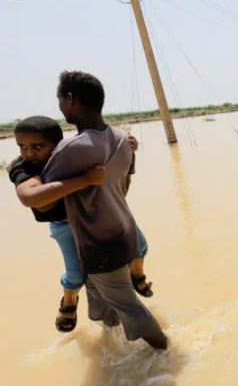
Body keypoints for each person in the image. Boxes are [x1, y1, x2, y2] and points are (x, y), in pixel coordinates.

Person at [43, 71, 167, 349]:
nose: (60, 106)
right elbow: (124, 184)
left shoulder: (70, 149)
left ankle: (165, 353)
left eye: (61, 100)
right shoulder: (124, 139)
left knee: (130, 307)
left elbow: (44, 203)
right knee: (104, 305)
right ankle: (114, 354)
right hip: (123, 231)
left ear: (71, 100)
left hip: (97, 243)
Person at [9, 116, 154, 332]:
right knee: (76, 275)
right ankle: (69, 301)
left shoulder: (73, 156)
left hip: (101, 216)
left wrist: (128, 147)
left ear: (58, 146)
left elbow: (111, 165)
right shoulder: (24, 167)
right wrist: (85, 180)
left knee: (141, 246)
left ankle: (137, 275)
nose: (29, 153)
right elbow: (29, 196)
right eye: (22, 147)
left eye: (37, 147)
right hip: (65, 225)